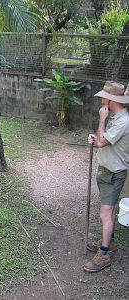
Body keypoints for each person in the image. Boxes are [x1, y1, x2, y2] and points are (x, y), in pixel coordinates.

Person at [84, 81, 129, 273]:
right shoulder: (115, 116)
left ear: (111, 100)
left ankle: (104, 254)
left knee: (105, 213)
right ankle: (109, 243)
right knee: (108, 212)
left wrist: (101, 121)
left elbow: (103, 141)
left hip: (113, 173)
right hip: (107, 170)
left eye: (104, 96)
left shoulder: (122, 121)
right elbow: (103, 139)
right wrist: (95, 137)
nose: (102, 99)